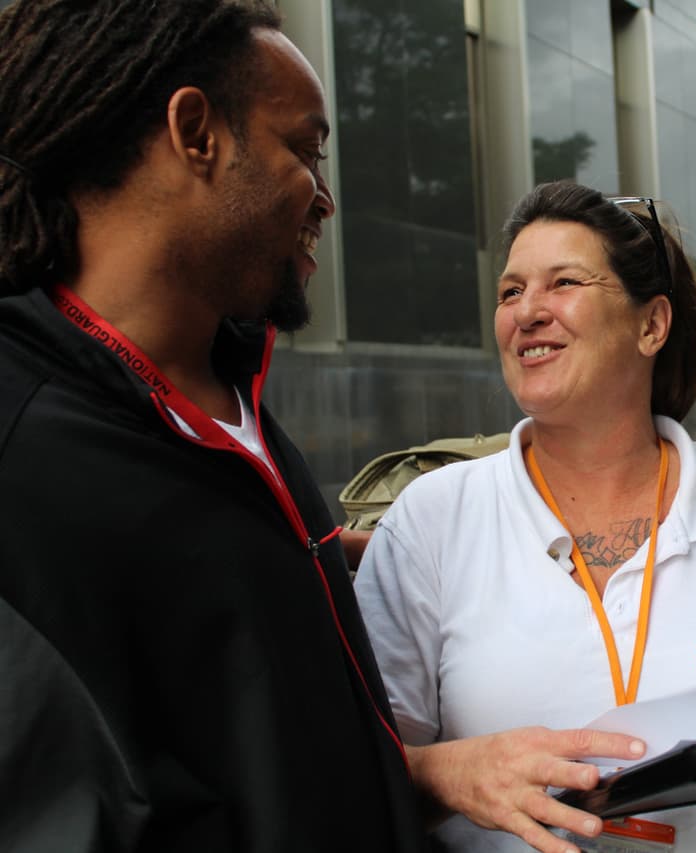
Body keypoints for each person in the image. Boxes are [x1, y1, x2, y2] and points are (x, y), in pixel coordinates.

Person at [0, 3, 621, 850]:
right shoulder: (22, 449)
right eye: (305, 149)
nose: (325, 197)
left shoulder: (238, 405)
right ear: (196, 133)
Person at [353, 180, 696, 853]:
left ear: (651, 324)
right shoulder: (430, 524)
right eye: (510, 290)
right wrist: (444, 771)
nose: (528, 311)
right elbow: (349, 779)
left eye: (563, 283)